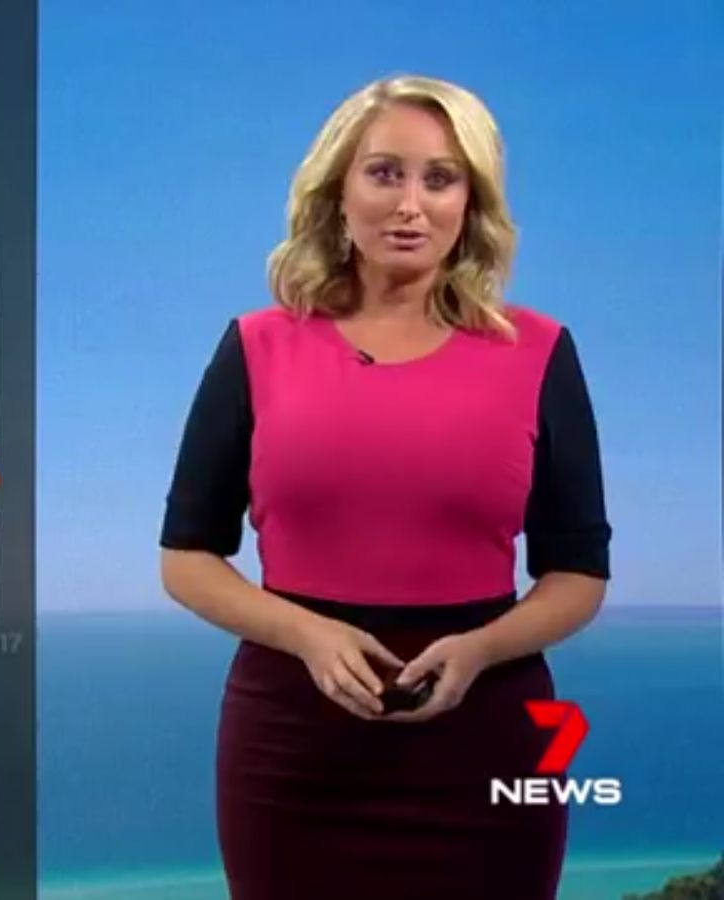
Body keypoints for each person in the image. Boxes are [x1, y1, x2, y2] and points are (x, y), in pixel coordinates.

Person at [158, 73, 612, 900]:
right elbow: (186, 559)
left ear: (470, 205)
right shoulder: (256, 348)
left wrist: (480, 650)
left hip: (488, 739)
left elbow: (578, 574)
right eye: (384, 173)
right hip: (293, 750)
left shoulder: (541, 352)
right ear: (339, 193)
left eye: (440, 179)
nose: (410, 204)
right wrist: (305, 636)